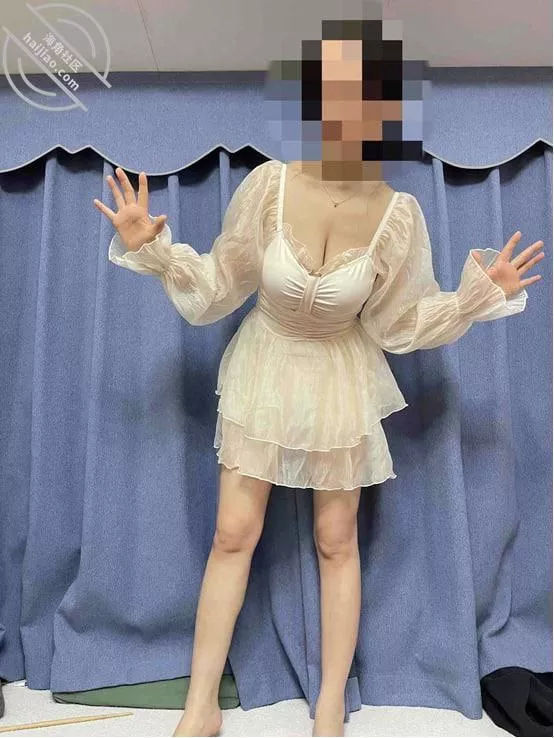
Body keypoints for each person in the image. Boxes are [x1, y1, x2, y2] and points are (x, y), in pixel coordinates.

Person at [93, 19, 544, 738]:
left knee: (337, 540)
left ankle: (329, 707)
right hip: (265, 363)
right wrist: (156, 252)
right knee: (232, 533)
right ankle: (201, 706)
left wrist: (473, 298)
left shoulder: (398, 215)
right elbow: (218, 288)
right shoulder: (268, 187)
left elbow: (397, 325)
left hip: (340, 376)